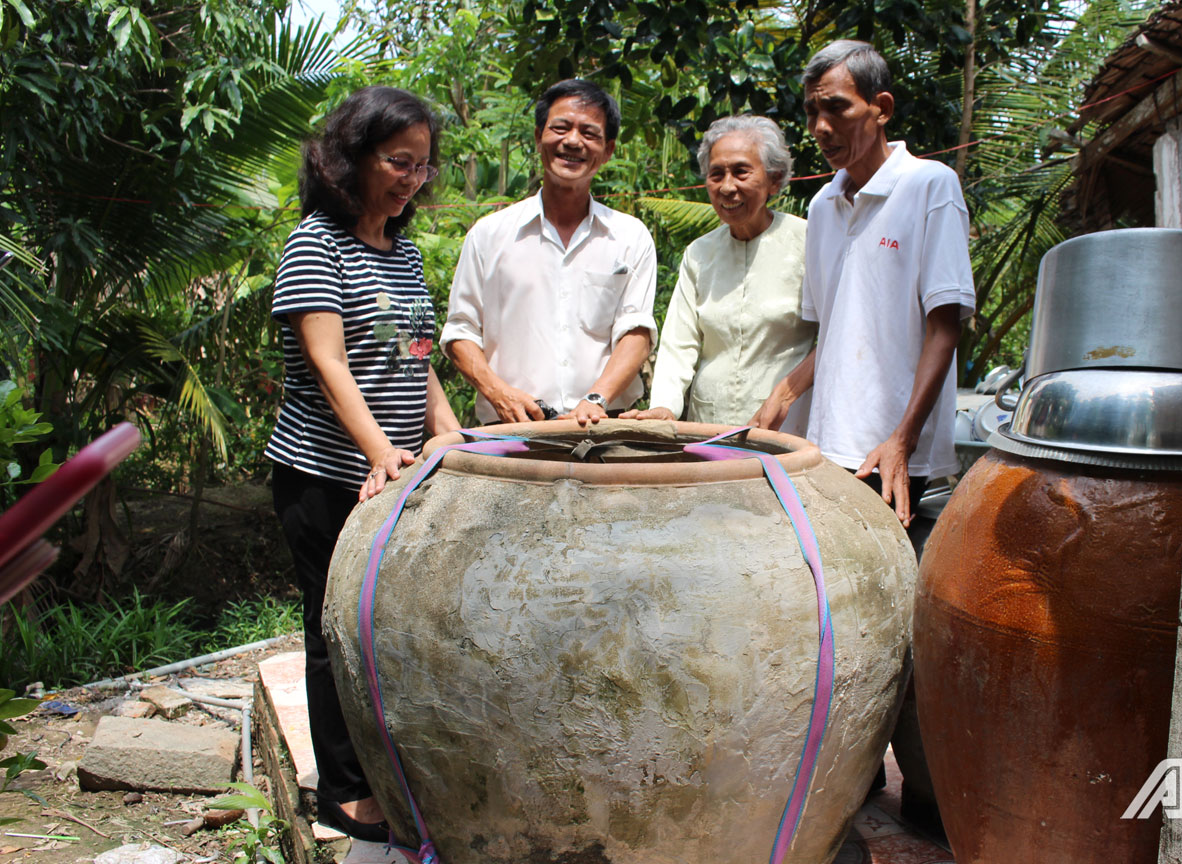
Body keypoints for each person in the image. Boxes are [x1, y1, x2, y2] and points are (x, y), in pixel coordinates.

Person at [264, 86, 461, 843]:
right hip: (324, 475)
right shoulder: (317, 242)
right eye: (397, 162)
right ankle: (343, 789)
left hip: (397, 475)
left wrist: (446, 435)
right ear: (350, 160)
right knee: (335, 632)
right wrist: (379, 452)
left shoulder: (402, 251)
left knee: (390, 629)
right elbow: (327, 362)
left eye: (422, 165)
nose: (412, 178)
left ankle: (391, 767)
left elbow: (418, 361)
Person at [755, 40, 974, 537]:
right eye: (812, 112)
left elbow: (945, 329)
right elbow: (834, 331)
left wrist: (902, 439)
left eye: (837, 108)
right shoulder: (821, 207)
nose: (821, 127)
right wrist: (785, 392)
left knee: (884, 592)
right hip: (827, 444)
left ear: (882, 109)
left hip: (893, 454)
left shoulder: (929, 186)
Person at [441, 79, 657, 426]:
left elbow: (637, 331)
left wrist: (596, 399)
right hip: (512, 426)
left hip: (604, 426)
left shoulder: (630, 237)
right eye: (561, 128)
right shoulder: (489, 235)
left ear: (609, 150)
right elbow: (460, 331)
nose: (573, 141)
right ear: (539, 134)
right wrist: (498, 393)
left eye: (589, 133)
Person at [621, 115, 812, 431]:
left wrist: (788, 394)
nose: (727, 187)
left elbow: (834, 334)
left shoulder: (807, 242)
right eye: (716, 174)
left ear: (774, 180)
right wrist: (664, 407)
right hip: (709, 428)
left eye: (741, 172)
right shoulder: (700, 253)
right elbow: (679, 343)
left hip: (787, 427)